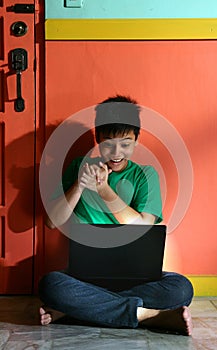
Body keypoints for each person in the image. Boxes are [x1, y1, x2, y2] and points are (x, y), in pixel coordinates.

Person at [39, 95, 193, 335]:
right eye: (109, 143)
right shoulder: (79, 167)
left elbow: (143, 225)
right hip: (85, 278)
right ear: (98, 140)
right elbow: (51, 222)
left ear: (136, 141)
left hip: (138, 278)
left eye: (126, 143)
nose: (116, 152)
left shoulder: (145, 175)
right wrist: (79, 185)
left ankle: (77, 310)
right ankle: (146, 315)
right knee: (51, 285)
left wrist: (104, 190)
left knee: (181, 288)